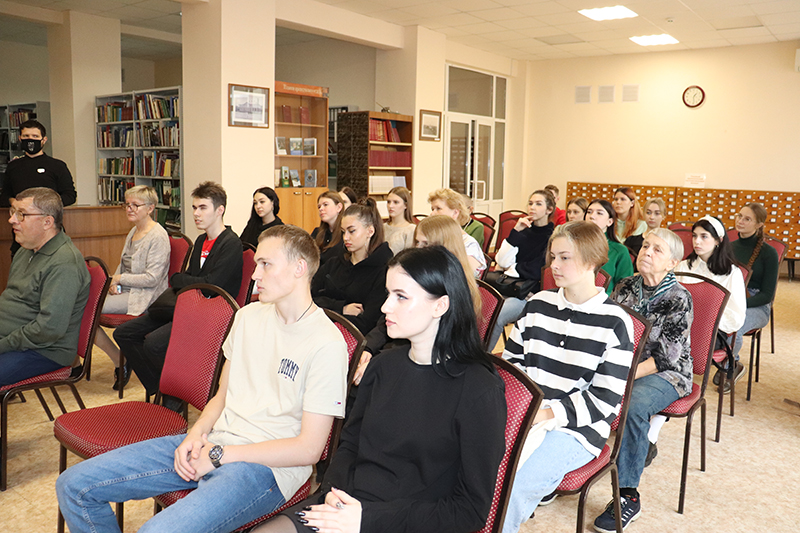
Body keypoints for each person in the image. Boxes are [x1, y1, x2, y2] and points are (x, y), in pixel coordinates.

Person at [56, 225, 349, 533]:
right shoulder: (248, 317)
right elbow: (222, 396)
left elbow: (309, 449)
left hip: (267, 469)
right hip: (215, 442)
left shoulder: (326, 343)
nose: (254, 275)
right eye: (257, 264)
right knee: (74, 486)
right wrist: (196, 434)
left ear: (299, 268)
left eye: (266, 264)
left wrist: (221, 455)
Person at [254, 245, 506, 533]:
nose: (385, 307)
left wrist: (366, 519)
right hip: (349, 506)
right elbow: (350, 444)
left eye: (401, 297)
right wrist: (333, 493)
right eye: (388, 294)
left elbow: (470, 510)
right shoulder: (383, 366)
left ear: (440, 306)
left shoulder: (479, 390)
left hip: (408, 523)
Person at [501, 222, 634, 533]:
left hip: (578, 429)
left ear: (590, 261)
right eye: (553, 257)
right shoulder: (538, 304)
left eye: (564, 258)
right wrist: (524, 410)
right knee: (473, 466)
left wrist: (545, 414)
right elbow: (512, 364)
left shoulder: (615, 322)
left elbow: (605, 400)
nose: (554, 265)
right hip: (528, 413)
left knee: (517, 485)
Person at [593, 229, 693, 533]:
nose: (647, 252)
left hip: (668, 373)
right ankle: (564, 471)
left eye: (657, 250)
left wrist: (619, 375)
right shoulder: (625, 286)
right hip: (625, 365)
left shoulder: (678, 298)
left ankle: (627, 495)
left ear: (672, 263)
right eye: (646, 246)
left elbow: (666, 357)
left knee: (632, 404)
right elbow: (607, 330)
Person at [113, 182, 243, 405]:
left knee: (154, 345)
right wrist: (185, 281)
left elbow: (210, 285)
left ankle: (172, 397)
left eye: (202, 208)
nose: (196, 213)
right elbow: (186, 279)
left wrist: (183, 280)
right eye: (194, 208)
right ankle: (161, 387)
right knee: (124, 333)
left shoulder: (231, 244)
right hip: (187, 307)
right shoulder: (201, 240)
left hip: (210, 315)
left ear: (219, 210)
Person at [356, 215, 482, 385]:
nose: (419, 249)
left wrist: (380, 362)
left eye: (426, 244)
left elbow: (424, 345)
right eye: (417, 242)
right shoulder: (413, 280)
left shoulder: (456, 291)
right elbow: (384, 324)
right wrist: (369, 347)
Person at [0, 188, 89, 386]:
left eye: (21, 214)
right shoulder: (26, 249)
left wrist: (3, 345)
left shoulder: (64, 263)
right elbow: (13, 301)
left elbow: (49, 329)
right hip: (14, 339)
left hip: (44, 351)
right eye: (13, 212)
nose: (12, 220)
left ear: (47, 222)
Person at [94, 185, 170, 391]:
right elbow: (123, 264)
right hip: (128, 290)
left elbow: (152, 279)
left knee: (88, 310)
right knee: (84, 306)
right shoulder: (133, 231)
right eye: (127, 204)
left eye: (135, 205)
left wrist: (119, 279)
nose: (130, 209)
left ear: (150, 208)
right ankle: (121, 359)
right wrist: (114, 282)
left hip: (145, 295)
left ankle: (121, 361)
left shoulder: (158, 236)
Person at [312, 199, 392, 334]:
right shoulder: (333, 263)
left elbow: (368, 322)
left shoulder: (383, 270)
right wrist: (341, 308)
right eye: (343, 232)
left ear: (370, 231)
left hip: (355, 338)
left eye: (352, 231)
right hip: (319, 331)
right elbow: (308, 299)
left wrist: (326, 309)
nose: (345, 238)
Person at [488, 189, 555, 349]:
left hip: (529, 293)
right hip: (509, 286)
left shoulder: (552, 236)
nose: (532, 207)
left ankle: (481, 355)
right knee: (478, 307)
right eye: (530, 203)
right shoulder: (523, 231)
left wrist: (509, 268)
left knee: (496, 315)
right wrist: (516, 231)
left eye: (538, 204)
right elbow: (501, 260)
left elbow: (536, 269)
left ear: (549, 210)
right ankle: (468, 352)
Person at [0, 120, 77, 255]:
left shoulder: (57, 166)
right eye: (26, 136)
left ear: (44, 140)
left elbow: (70, 196)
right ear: (20, 138)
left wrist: (43, 206)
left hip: (49, 231)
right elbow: (4, 195)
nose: (30, 140)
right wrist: (15, 204)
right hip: (21, 232)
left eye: (35, 136)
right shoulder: (13, 167)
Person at [726, 202, 779, 388]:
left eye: (747, 219)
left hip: (756, 304)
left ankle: (731, 366)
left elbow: (767, 295)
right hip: (732, 298)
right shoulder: (729, 247)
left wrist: (739, 304)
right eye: (739, 216)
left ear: (759, 224)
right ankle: (728, 363)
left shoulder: (769, 253)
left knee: (735, 325)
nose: (740, 221)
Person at [428, 188, 486, 276]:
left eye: (438, 209)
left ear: (455, 213)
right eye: (432, 209)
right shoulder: (435, 239)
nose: (432, 214)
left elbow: (463, 277)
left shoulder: (469, 244)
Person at [585, 199, 634, 295]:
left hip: (605, 301)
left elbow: (625, 288)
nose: (592, 216)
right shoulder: (574, 246)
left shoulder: (619, 250)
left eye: (599, 213)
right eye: (589, 212)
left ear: (610, 221)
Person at [311, 191, 345, 267]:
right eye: (319, 206)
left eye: (325, 205)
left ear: (339, 207)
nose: (321, 209)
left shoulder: (345, 234)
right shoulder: (317, 232)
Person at [383, 186, 415, 255]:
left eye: (396, 202)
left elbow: (409, 256)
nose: (390, 206)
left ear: (405, 205)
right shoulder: (382, 227)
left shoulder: (411, 230)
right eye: (388, 202)